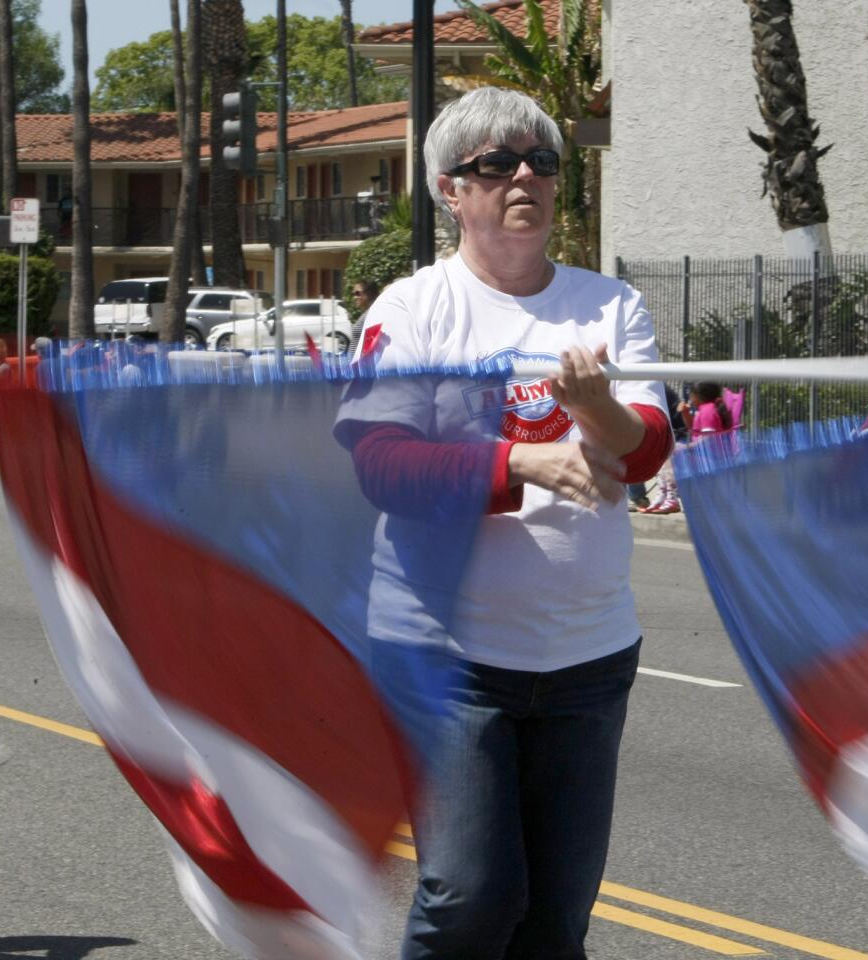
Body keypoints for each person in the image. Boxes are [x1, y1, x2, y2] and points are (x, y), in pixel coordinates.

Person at [333, 86, 671, 959]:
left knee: (555, 923)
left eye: (542, 163)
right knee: (470, 898)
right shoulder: (410, 311)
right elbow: (382, 467)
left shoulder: (610, 305)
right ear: (451, 190)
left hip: (587, 655)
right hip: (444, 655)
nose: (524, 176)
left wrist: (597, 408)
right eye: (496, 164)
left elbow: (642, 454)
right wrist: (518, 462)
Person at [638, 384, 689, 514]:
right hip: (669, 432)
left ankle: (672, 497)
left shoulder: (656, 388)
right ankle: (662, 494)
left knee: (666, 455)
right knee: (661, 455)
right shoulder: (652, 387)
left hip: (678, 434)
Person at [348, 279, 380, 354]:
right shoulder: (367, 313)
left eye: (358, 293)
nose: (355, 297)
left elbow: (372, 344)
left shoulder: (372, 314)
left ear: (369, 293)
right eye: (353, 294)